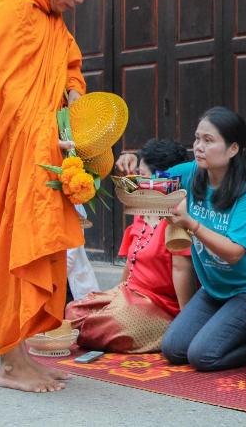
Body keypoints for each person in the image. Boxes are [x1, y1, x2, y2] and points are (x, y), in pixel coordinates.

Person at [0, 0, 102, 393]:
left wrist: (76, 94)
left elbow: (69, 67)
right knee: (5, 254)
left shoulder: (53, 20)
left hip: (37, 150)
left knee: (35, 247)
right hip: (5, 155)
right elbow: (2, 92)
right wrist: (48, 137)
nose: (78, 1)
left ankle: (23, 358)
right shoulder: (13, 5)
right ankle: (10, 365)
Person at [116, 107, 246, 371]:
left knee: (202, 356)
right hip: (213, 289)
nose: (199, 147)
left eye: (209, 140)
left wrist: (192, 224)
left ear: (233, 149)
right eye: (197, 139)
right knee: (173, 348)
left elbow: (234, 253)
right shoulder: (190, 173)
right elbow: (152, 181)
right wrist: (132, 159)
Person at [66, 139, 195, 353]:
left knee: (103, 325)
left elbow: (182, 270)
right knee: (73, 311)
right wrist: (117, 297)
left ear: (163, 181)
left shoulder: (177, 219)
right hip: (133, 294)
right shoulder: (143, 210)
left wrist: (185, 325)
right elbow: (130, 266)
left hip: (160, 306)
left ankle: (166, 332)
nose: (136, 182)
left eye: (141, 176)